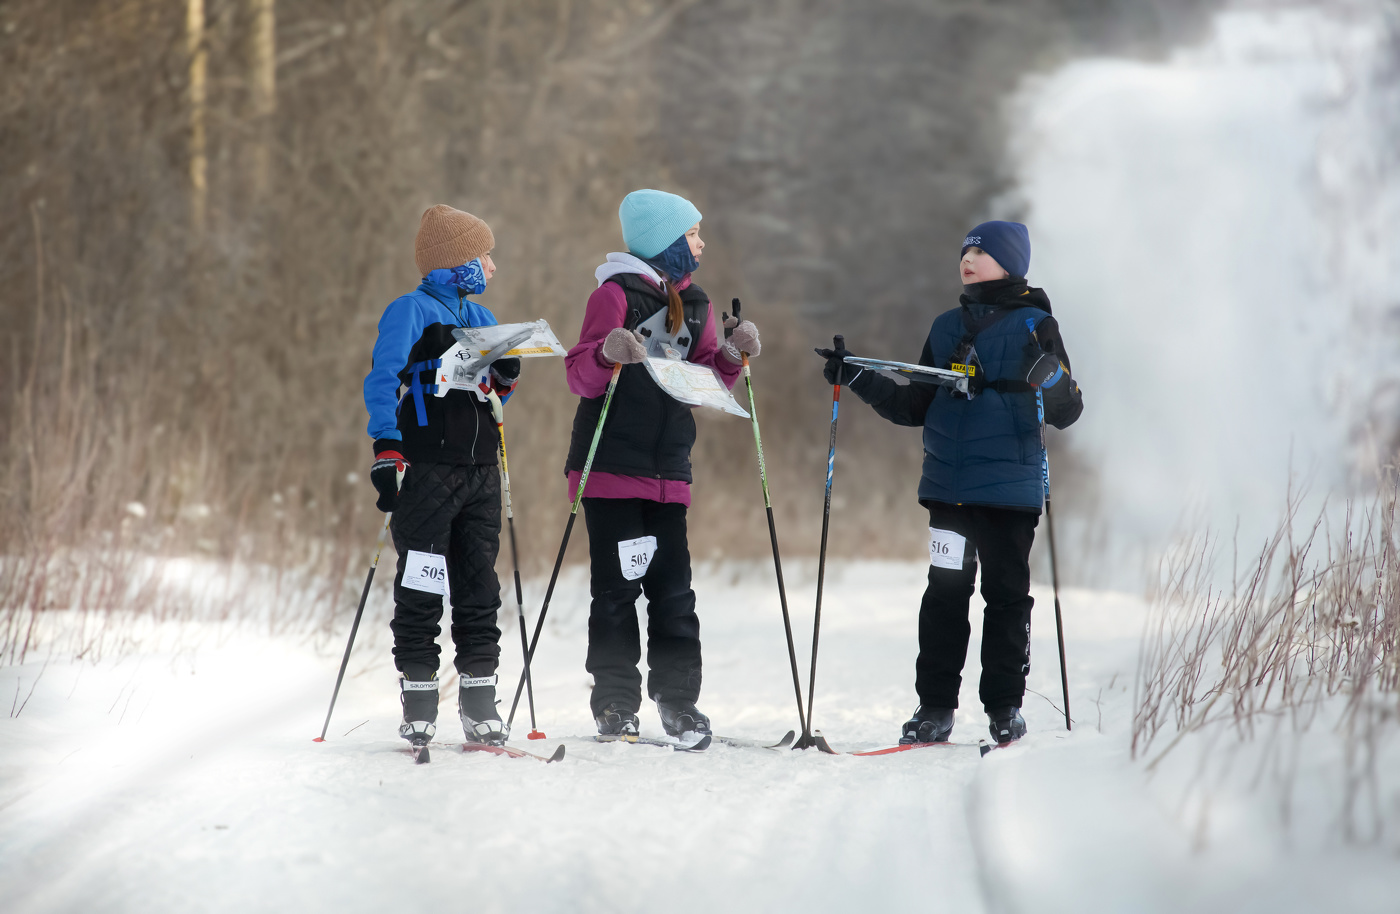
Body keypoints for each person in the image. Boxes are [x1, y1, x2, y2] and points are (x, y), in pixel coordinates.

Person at [822, 220, 1083, 745]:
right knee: (944, 598)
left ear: (1010, 263)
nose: (966, 260)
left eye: (979, 253)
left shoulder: (1038, 324)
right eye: (964, 251)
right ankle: (934, 708)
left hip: (1010, 494)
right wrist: (856, 376)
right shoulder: (945, 327)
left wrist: (1050, 377)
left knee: (1006, 598)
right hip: (949, 491)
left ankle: (1005, 708)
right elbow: (913, 405)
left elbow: (1067, 411)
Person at [562, 189, 761, 744]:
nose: (701, 243)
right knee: (618, 590)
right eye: (693, 234)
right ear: (665, 241)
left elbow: (704, 383)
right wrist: (607, 355)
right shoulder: (614, 294)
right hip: (610, 467)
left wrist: (730, 357)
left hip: (669, 472)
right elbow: (579, 373)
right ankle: (616, 705)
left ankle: (678, 703)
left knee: (674, 594)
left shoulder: (696, 303)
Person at [363, 204, 521, 751]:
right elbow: (383, 379)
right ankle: (421, 702)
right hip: (427, 468)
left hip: (480, 470)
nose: (492, 268)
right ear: (456, 264)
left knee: (480, 587)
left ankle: (480, 706)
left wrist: (506, 375)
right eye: (484, 257)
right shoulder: (409, 311)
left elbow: (491, 395)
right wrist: (387, 448)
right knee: (423, 585)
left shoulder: (483, 317)